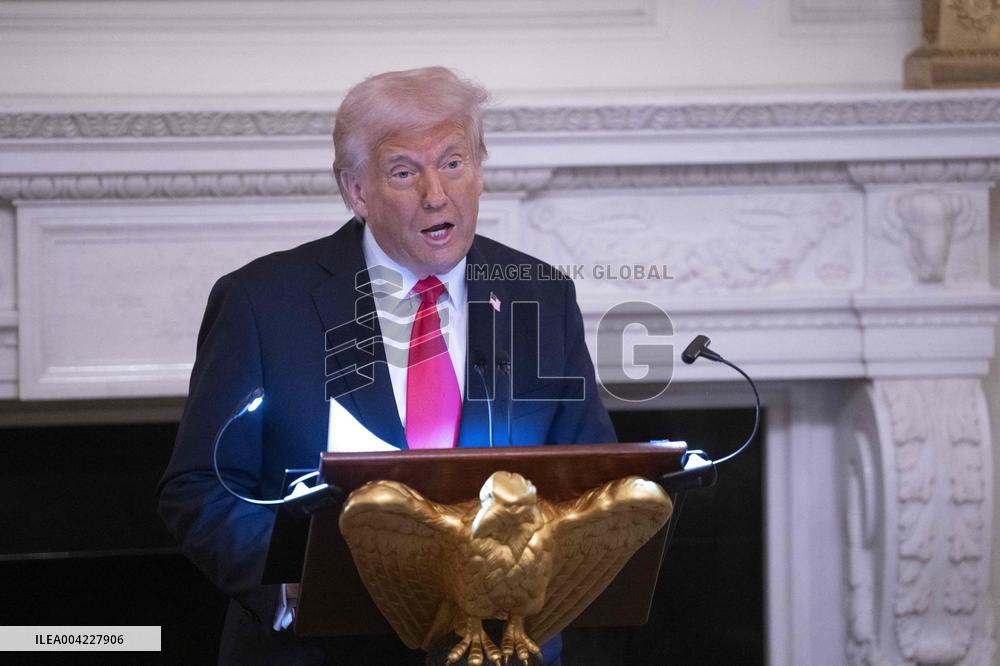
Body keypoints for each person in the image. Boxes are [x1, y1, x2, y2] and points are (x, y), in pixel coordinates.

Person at [158, 66, 616, 666]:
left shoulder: (540, 296)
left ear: (480, 166)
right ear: (356, 190)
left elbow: (589, 481)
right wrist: (298, 581)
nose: (436, 193)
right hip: (324, 650)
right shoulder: (263, 303)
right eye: (405, 171)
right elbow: (199, 489)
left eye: (454, 162)